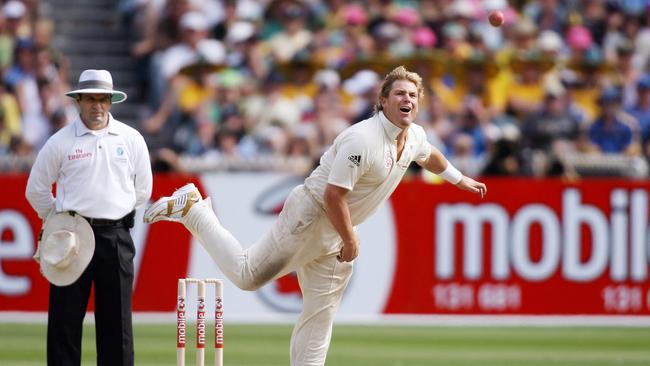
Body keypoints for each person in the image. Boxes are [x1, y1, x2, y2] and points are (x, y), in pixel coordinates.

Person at [144, 66, 486, 366]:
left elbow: (430, 157)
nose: (406, 99)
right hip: (311, 215)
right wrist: (351, 239)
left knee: (320, 317)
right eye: (399, 93)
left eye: (412, 94)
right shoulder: (362, 140)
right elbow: (333, 195)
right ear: (383, 100)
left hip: (335, 235)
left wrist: (460, 178)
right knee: (248, 276)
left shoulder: (413, 136)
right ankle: (194, 209)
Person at [25, 69, 153, 366]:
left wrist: (116, 212)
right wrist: (60, 220)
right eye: (91, 99)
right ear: (78, 100)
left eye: (104, 99)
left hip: (117, 237)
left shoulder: (131, 138)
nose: (98, 105)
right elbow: (37, 190)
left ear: (111, 101)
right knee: (65, 325)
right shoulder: (60, 142)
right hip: (72, 237)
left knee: (117, 326)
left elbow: (142, 190)